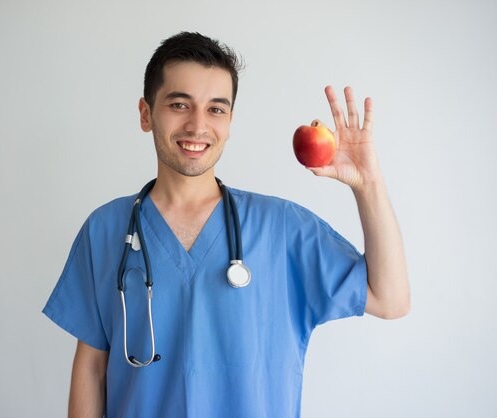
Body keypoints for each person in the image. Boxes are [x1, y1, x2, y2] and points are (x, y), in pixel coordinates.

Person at [43, 31, 410, 418]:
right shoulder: (105, 229)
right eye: (180, 104)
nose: (198, 125)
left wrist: (368, 183)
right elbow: (92, 367)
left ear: (231, 120)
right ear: (146, 113)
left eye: (216, 109)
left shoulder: (282, 228)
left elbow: (391, 299)